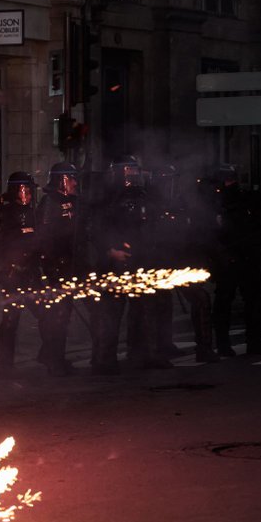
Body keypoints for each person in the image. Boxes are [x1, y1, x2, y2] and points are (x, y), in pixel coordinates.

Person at [89, 155, 171, 373]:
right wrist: (110, 251)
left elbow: (152, 226)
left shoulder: (143, 196)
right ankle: (105, 360)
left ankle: (145, 355)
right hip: (115, 263)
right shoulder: (105, 199)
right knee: (111, 313)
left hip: (141, 260)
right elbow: (95, 229)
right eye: (129, 171)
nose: (134, 176)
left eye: (136, 171)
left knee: (145, 310)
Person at [145, 164, 218, 363]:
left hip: (180, 260)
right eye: (165, 180)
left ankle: (203, 348)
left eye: (172, 179)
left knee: (200, 298)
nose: (169, 184)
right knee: (159, 304)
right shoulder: (148, 204)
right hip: (158, 261)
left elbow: (192, 232)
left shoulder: (182, 203)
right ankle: (158, 351)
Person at [208, 164, 261, 357]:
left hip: (243, 256)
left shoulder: (243, 199)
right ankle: (228, 344)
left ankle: (251, 342)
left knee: (251, 301)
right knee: (229, 301)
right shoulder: (216, 203)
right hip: (230, 258)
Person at [35, 162, 83, 376]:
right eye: (71, 178)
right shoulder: (50, 203)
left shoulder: (74, 202)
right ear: (61, 180)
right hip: (57, 267)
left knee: (64, 314)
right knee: (58, 315)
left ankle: (54, 356)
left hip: (70, 265)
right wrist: (50, 267)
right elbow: (44, 237)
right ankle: (54, 360)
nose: (74, 182)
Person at [0, 172, 43, 378]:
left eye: (31, 190)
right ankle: (5, 365)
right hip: (14, 272)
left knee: (46, 313)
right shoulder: (7, 213)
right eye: (26, 190)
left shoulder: (31, 212)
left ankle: (49, 354)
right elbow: (2, 242)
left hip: (31, 272)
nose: (30, 194)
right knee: (11, 319)